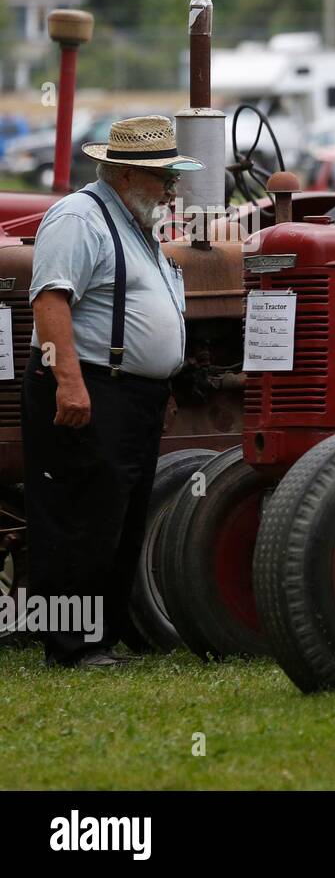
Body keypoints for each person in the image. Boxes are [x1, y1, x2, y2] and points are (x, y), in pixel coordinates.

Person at [22, 115, 201, 668]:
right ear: (125, 174)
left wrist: (161, 381)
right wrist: (69, 386)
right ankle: (71, 647)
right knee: (81, 517)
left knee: (117, 517)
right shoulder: (79, 218)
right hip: (92, 387)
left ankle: (102, 637)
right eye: (163, 177)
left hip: (128, 394)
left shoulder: (136, 226)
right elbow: (50, 302)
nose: (172, 189)